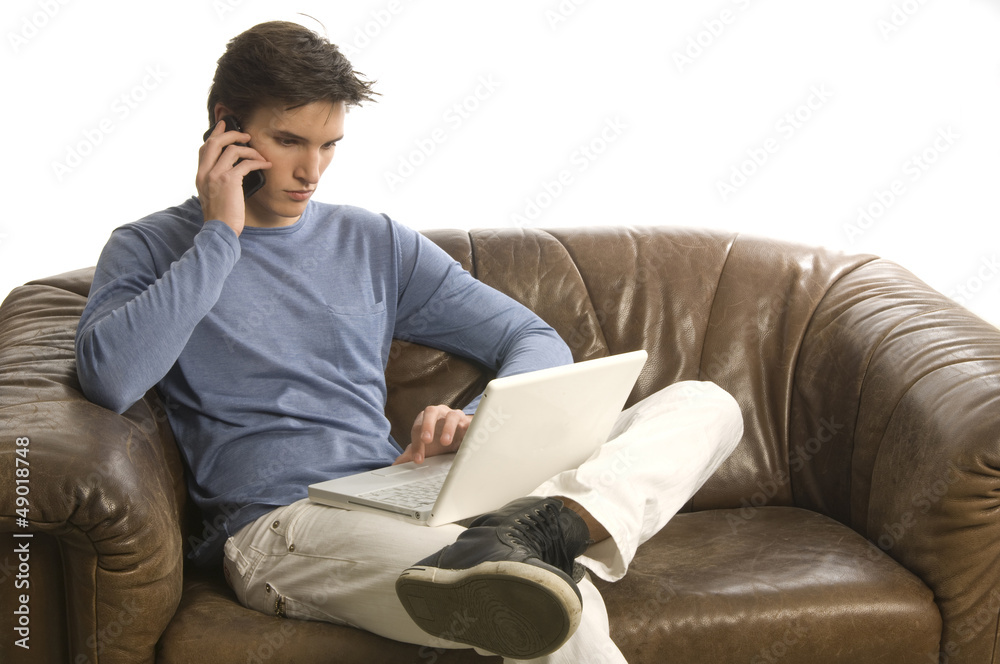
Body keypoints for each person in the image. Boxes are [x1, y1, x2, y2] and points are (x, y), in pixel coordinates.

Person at [75, 20, 743, 663]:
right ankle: (525, 555)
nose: (313, 170)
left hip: (406, 492)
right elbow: (111, 378)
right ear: (226, 127)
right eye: (290, 141)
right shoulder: (152, 247)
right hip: (285, 525)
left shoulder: (373, 241)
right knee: (543, 597)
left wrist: (476, 423)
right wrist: (221, 235)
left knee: (704, 405)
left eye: (330, 145)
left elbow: (532, 337)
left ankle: (552, 527)